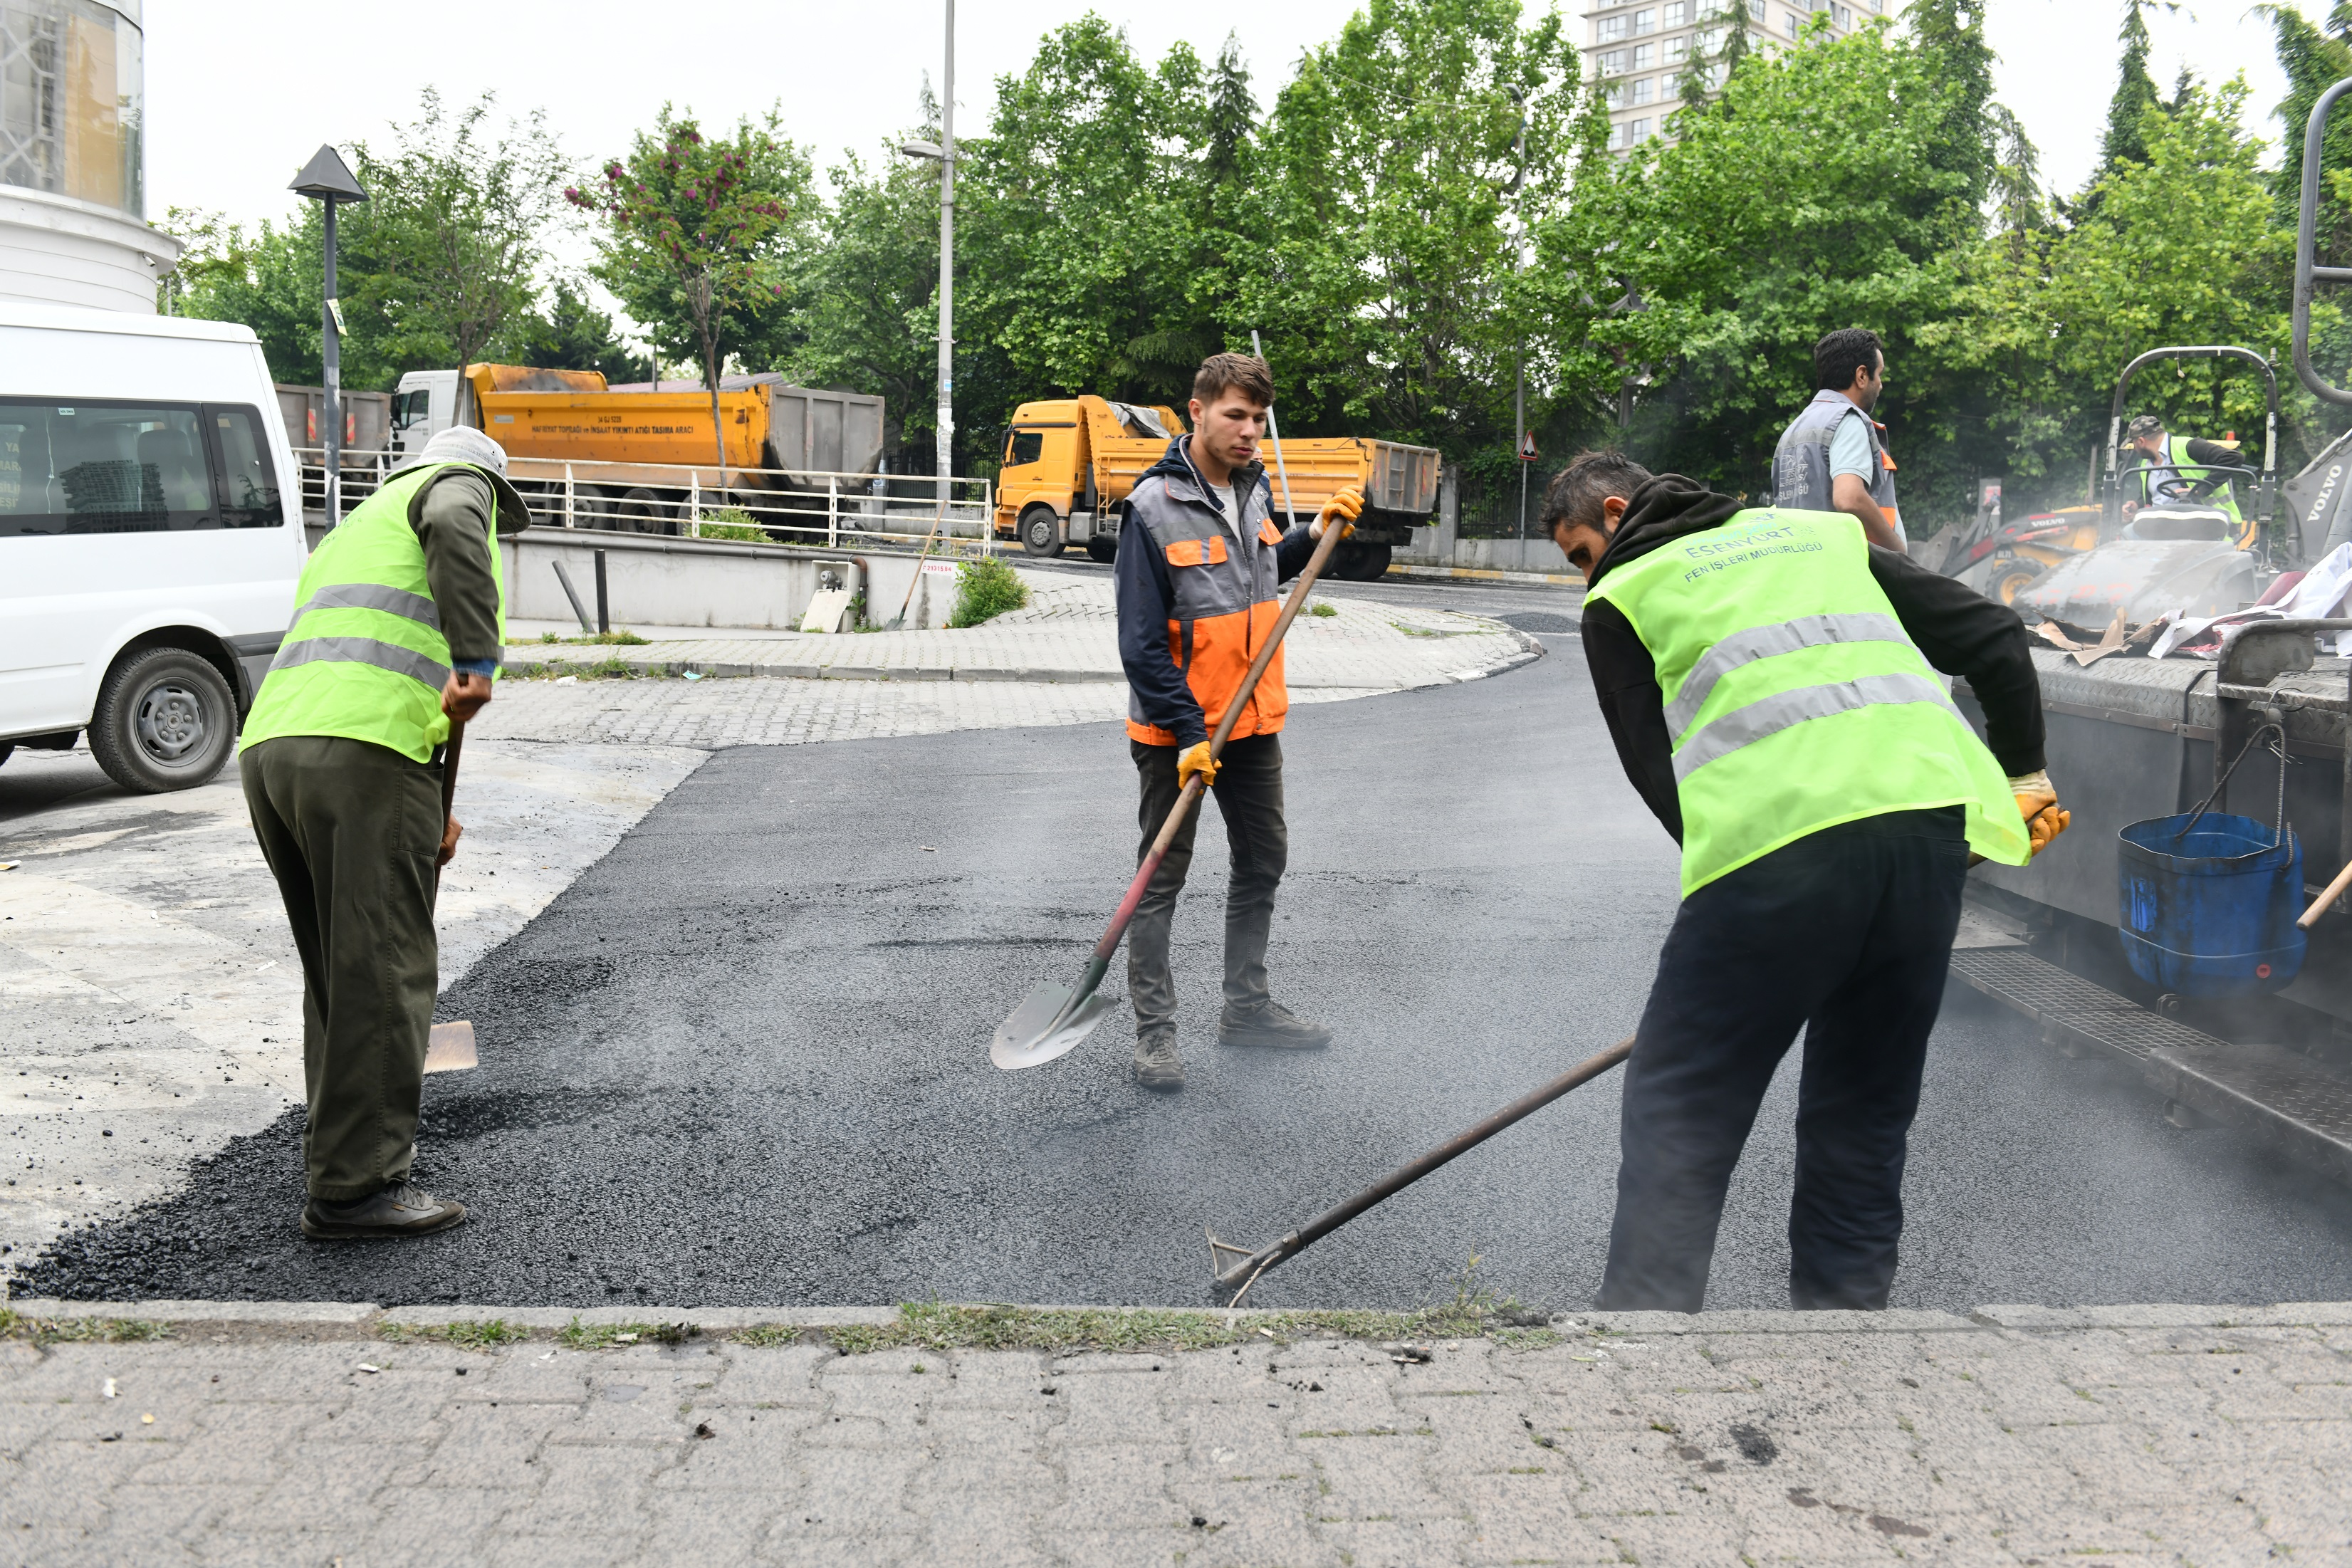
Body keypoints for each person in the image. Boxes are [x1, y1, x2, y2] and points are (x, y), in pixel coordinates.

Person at [1544, 449, 2069, 1312]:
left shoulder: (1621, 598)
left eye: (1578, 555)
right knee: (1864, 1107)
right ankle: (1844, 1329)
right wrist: (2024, 776)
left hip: (1774, 864)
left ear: (1613, 510)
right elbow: (1995, 637)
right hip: (1923, 843)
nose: (1583, 577)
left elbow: (1661, 778)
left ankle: (1642, 1337)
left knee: (1684, 1102)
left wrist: (1749, 916)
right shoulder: (1820, 536)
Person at [239, 424, 530, 1238]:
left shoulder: (357, 524)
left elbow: (371, 660)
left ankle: (336, 1153)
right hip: (363, 757)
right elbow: (453, 520)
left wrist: (431, 804)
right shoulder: (454, 485)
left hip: (276, 753)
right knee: (384, 966)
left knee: (339, 968)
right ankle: (356, 1189)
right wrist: (478, 657)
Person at [1114, 352, 1361, 1091]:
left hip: (1253, 723)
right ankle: (1156, 1036)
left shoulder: (1254, 490)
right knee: (1161, 880)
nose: (1250, 431)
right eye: (1235, 415)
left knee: (1263, 862)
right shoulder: (1151, 507)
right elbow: (1140, 642)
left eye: (1258, 418)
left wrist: (1313, 530)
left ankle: (1245, 1010)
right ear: (1196, 411)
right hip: (1179, 736)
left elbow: (1260, 574)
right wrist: (1189, 733)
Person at [1773, 328, 1906, 552]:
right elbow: (1849, 498)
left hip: (1806, 568)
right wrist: (1898, 553)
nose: (1881, 384)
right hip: (1845, 569)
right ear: (1862, 376)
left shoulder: (1792, 432)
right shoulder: (1847, 419)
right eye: (1879, 374)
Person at [2126, 414, 2252, 547]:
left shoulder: (2188, 447)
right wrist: (2137, 505)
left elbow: (2234, 457)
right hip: (2160, 527)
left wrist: (2199, 490)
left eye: (2133, 444)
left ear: (2140, 441)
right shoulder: (2145, 465)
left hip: (2203, 524)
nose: (2135, 448)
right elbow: (2154, 496)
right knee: (2127, 533)